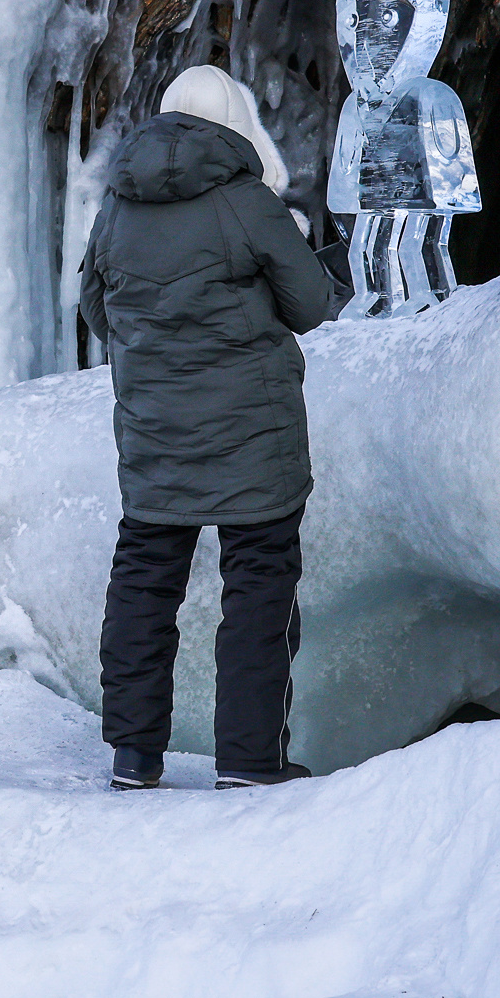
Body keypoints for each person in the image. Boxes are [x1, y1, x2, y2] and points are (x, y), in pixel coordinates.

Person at [78, 64, 333, 791]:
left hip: (156, 435)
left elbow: (97, 309)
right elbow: (310, 303)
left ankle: (133, 755)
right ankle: (251, 762)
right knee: (258, 587)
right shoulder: (245, 201)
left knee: (144, 585)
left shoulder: (118, 207)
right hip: (252, 436)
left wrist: (158, 348)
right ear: (232, 124)